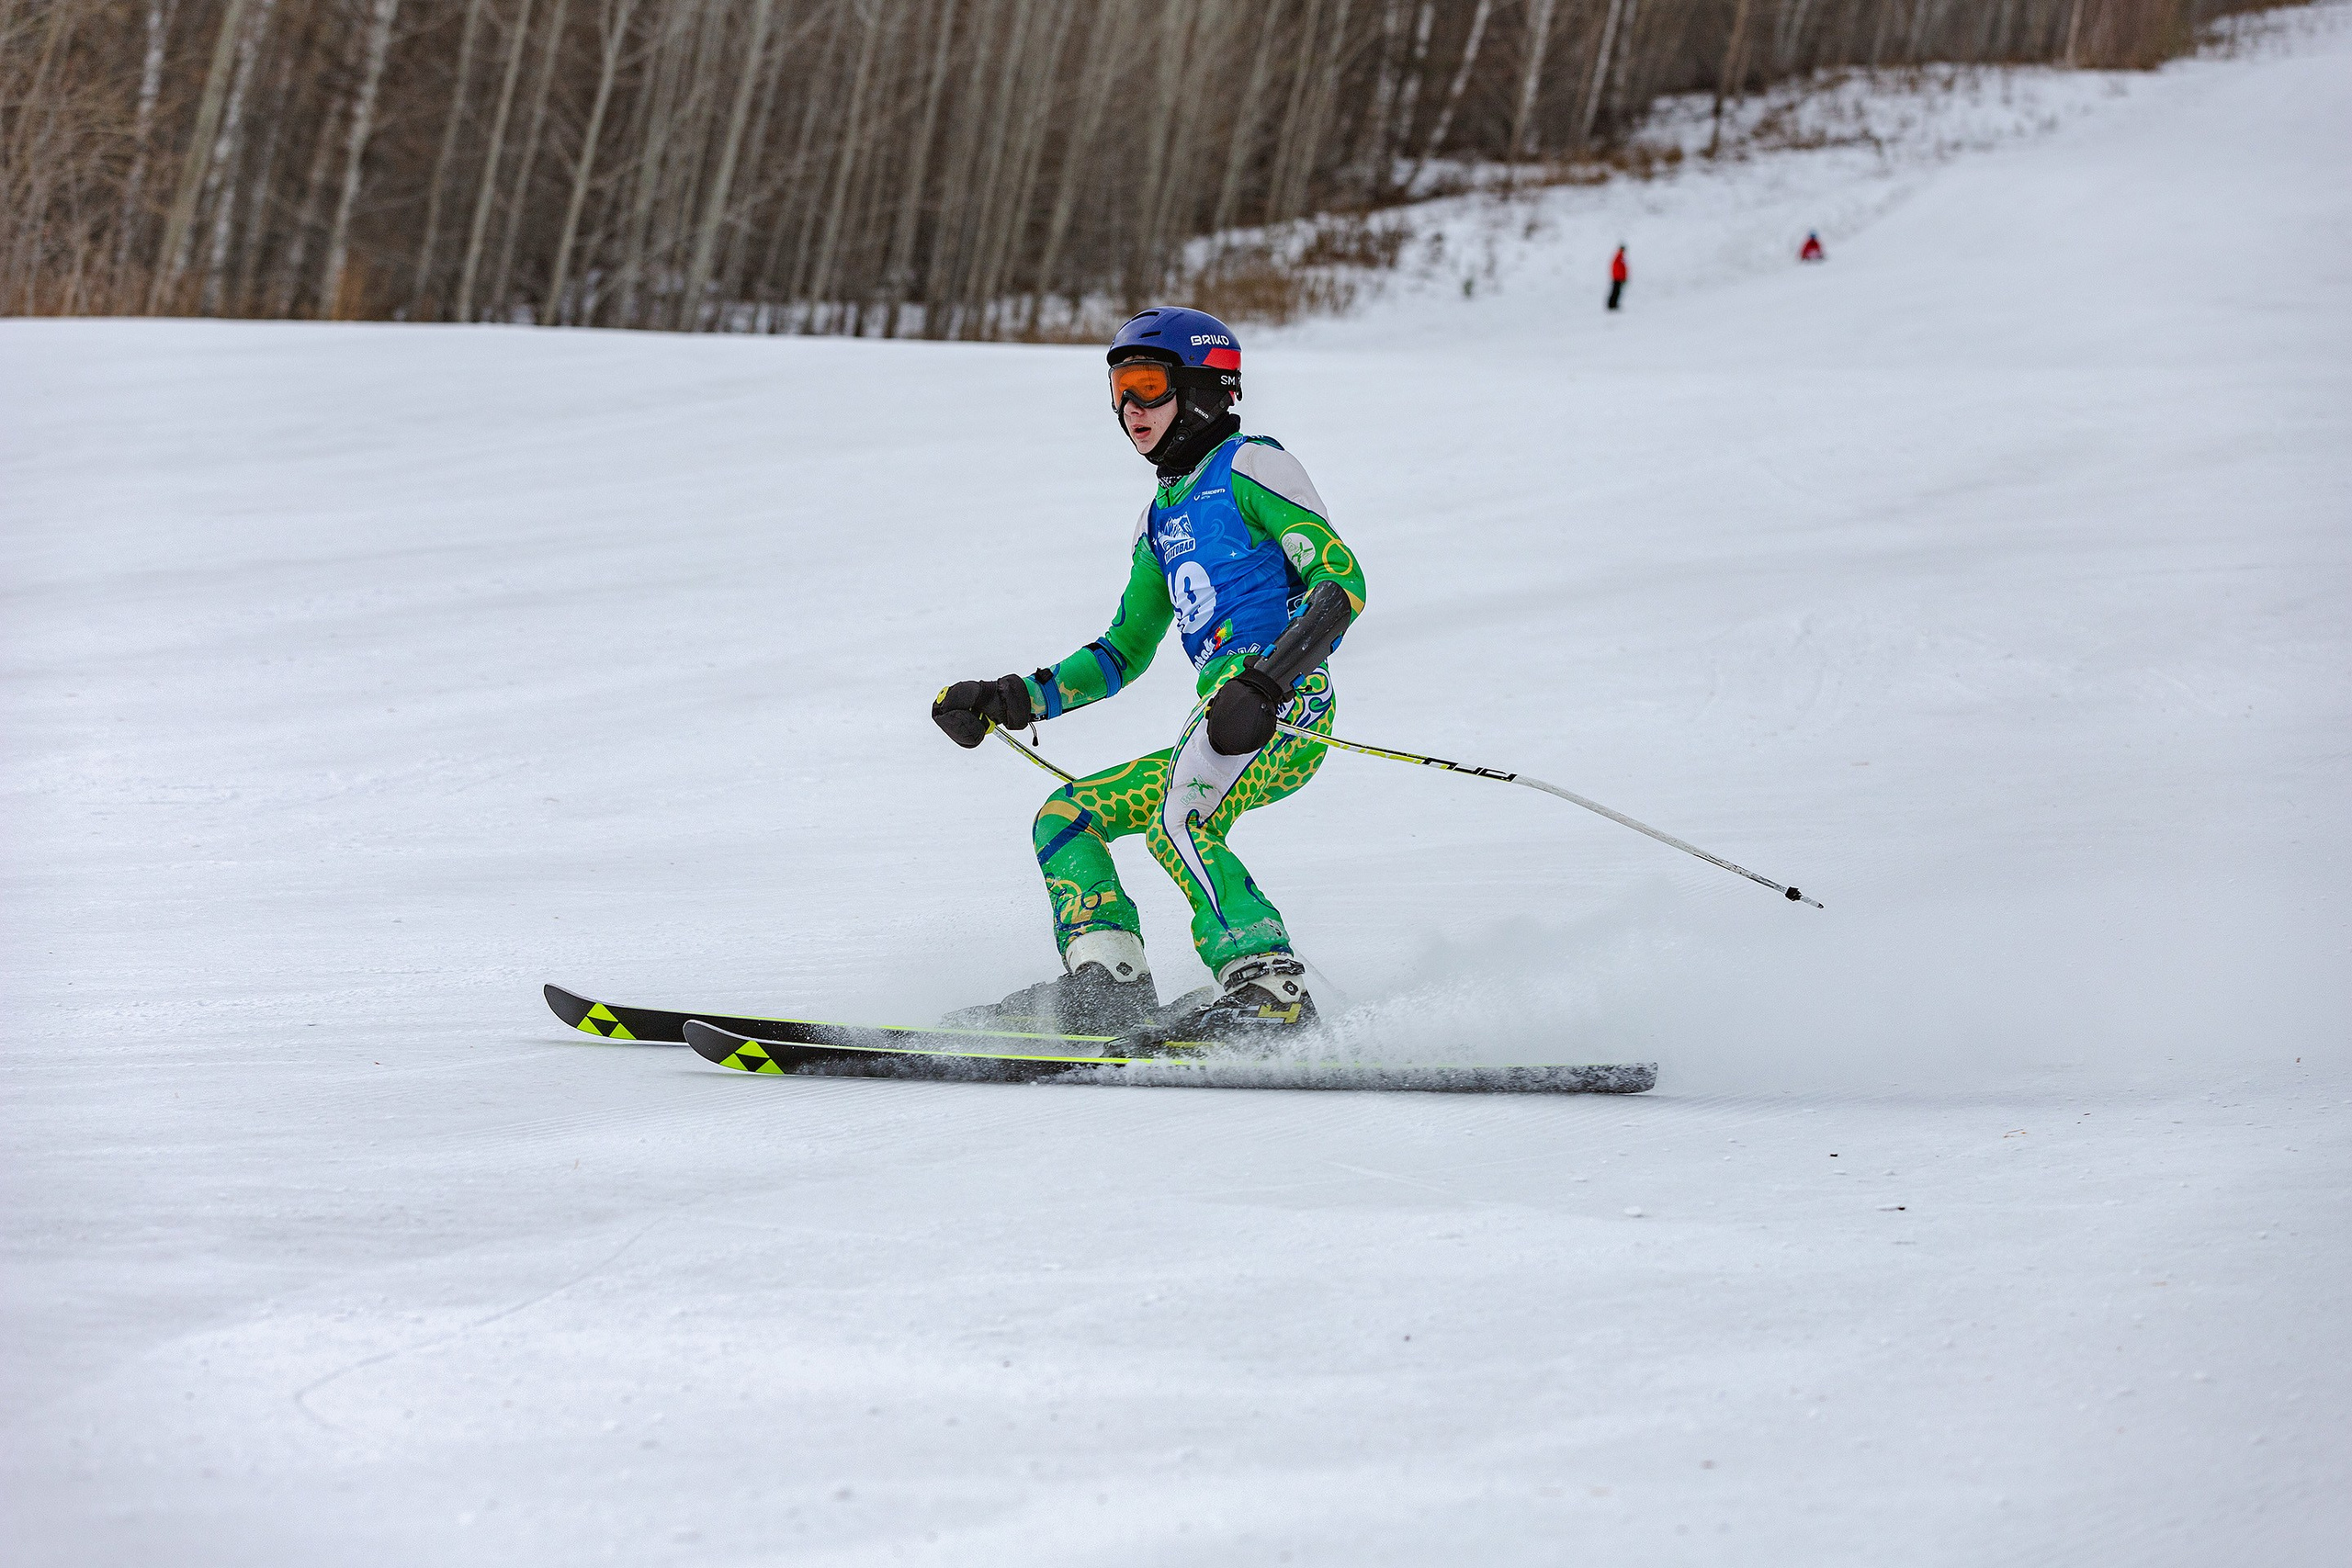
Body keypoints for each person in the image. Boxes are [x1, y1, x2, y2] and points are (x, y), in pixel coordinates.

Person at [931, 307, 1367, 1046]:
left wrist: (1267, 684)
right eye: (1118, 390)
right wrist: (1011, 696)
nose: (1129, 408)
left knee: (1179, 817)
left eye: (1146, 385)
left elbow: (1341, 582)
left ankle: (1272, 989)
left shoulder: (1253, 466)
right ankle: (1110, 984)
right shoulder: (1159, 519)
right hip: (1222, 714)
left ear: (1202, 389)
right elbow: (1122, 652)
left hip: (1283, 706)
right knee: (1066, 815)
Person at [1607, 245, 1628, 310]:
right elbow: (1618, 269)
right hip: (1617, 278)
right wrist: (1621, 277)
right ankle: (1611, 305)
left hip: (1618, 278)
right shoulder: (1619, 257)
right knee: (1615, 291)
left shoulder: (1620, 257)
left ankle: (1613, 304)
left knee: (1616, 291)